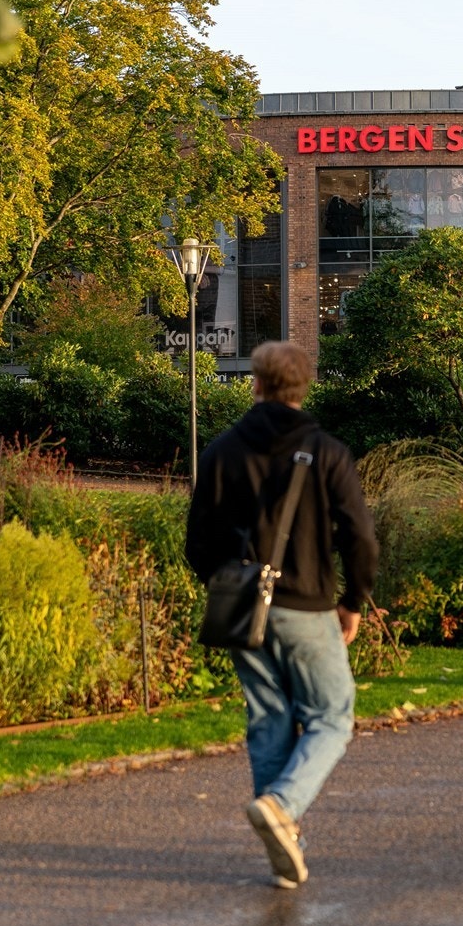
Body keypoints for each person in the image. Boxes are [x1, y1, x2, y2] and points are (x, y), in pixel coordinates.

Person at [185, 340, 378, 889]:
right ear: (304, 387)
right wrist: (352, 602)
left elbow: (197, 541)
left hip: (242, 610)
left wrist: (227, 586)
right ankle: (283, 806)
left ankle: (283, 845)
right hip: (308, 605)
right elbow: (360, 537)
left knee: (269, 719)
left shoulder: (220, 451)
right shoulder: (328, 452)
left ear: (256, 384)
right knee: (333, 715)